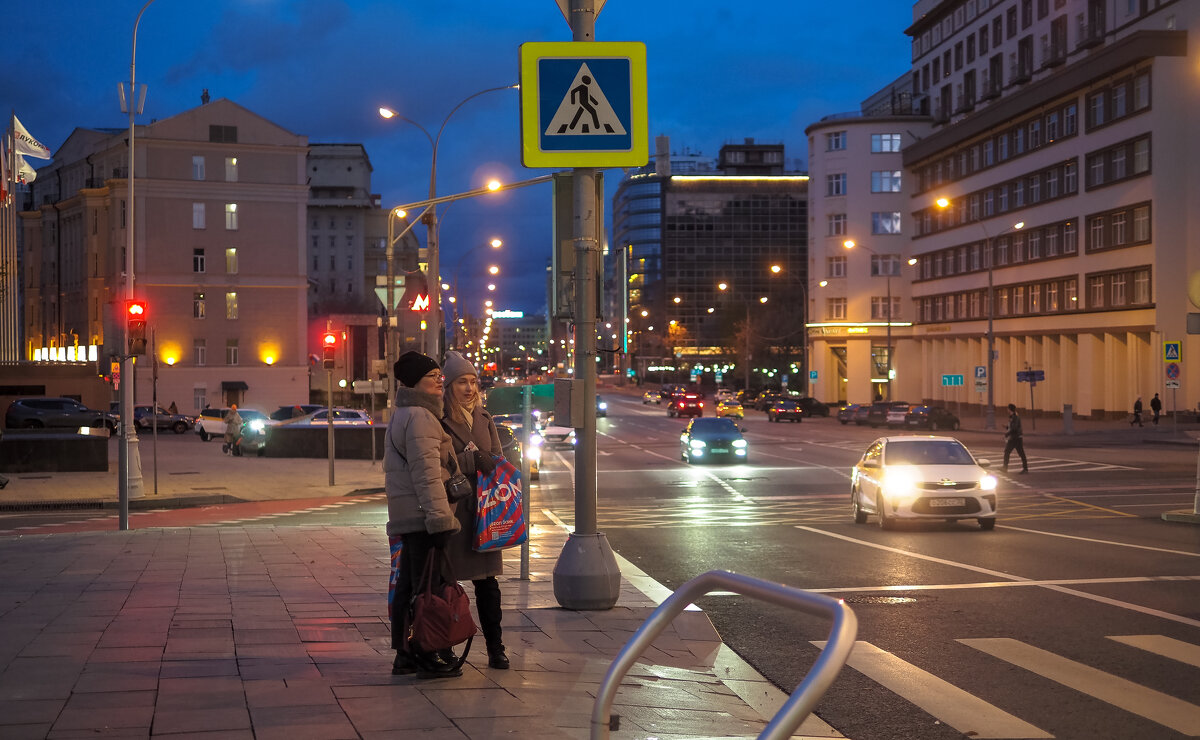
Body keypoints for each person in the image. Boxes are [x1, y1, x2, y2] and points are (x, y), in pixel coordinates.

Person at [384, 351, 463, 679]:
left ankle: (405, 653)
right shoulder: (420, 417)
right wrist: (439, 518)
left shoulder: (404, 413)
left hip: (410, 512)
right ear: (417, 382)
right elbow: (427, 473)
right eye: (433, 376)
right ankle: (428, 653)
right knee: (427, 588)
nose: (440, 380)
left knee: (410, 584)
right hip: (423, 514)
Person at [440, 351, 510, 670]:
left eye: (472, 382)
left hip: (484, 511)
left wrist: (488, 460)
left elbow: (496, 456)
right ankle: (445, 645)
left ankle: (496, 647)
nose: (469, 388)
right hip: (455, 510)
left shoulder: (484, 418)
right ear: (449, 386)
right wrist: (471, 460)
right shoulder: (440, 419)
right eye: (461, 382)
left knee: (488, 584)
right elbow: (440, 462)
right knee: (447, 584)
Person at [1003, 403, 1028, 474]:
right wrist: (1006, 427)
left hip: (1016, 438)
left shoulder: (1015, 417)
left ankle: (1025, 469)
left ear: (1010, 409)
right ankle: (1005, 468)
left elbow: (1015, 428)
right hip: (1014, 437)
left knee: (1020, 453)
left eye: (1007, 408)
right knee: (1007, 452)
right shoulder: (1012, 416)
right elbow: (1011, 427)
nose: (1007, 409)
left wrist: (1007, 434)